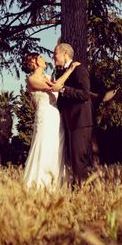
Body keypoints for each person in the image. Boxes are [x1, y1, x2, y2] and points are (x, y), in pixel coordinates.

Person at [21, 52, 80, 190]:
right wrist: (70, 70)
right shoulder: (31, 80)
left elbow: (57, 86)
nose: (44, 59)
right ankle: (38, 186)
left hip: (55, 116)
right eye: (40, 57)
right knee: (43, 146)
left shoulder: (48, 77)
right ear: (34, 62)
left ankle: (54, 186)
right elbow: (54, 88)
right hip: (45, 116)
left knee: (56, 149)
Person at [53, 42, 95, 185]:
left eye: (55, 53)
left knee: (79, 159)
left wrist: (63, 90)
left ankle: (82, 192)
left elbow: (85, 94)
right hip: (69, 121)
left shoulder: (79, 69)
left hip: (80, 121)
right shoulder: (60, 72)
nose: (53, 57)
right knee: (72, 159)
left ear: (65, 53)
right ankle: (77, 189)